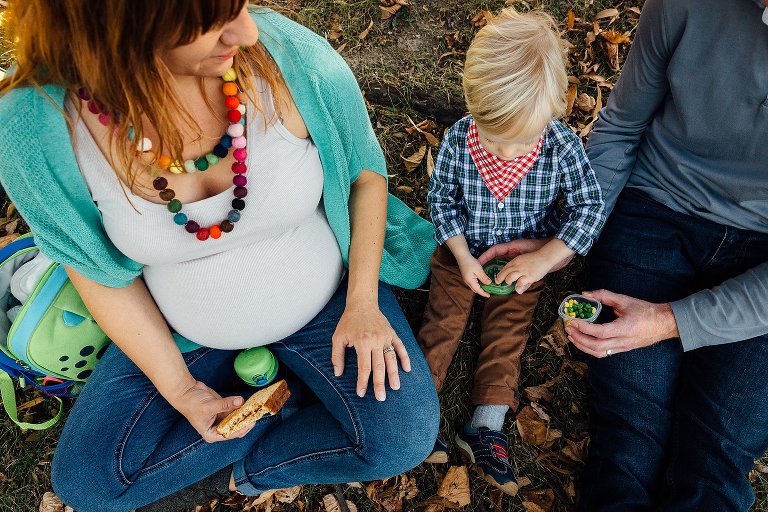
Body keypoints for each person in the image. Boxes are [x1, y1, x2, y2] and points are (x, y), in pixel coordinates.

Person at [0, 1, 440, 511]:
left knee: (402, 437)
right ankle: (284, 397)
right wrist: (183, 391)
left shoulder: (285, 55)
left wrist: (362, 302)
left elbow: (364, 176)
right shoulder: (35, 126)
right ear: (120, 34)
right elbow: (97, 272)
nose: (248, 32)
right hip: (181, 336)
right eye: (210, 25)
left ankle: (249, 463)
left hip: (332, 307)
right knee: (90, 483)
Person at [559, 0, 768, 510]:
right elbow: (622, 125)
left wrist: (669, 321)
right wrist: (565, 241)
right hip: (654, 211)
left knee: (714, 459)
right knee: (627, 442)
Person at [416, 8, 605, 496]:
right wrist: (459, 256)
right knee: (442, 322)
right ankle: (418, 412)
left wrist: (543, 259)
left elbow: (589, 206)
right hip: (465, 256)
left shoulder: (560, 146)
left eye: (520, 141)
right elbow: (442, 200)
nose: (504, 154)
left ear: (552, 111)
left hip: (521, 265)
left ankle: (486, 423)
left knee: (507, 333)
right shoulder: (461, 138)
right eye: (494, 138)